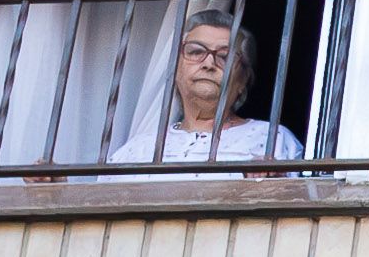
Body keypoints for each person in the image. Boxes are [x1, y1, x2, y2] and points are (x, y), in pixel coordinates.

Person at [106, 10, 301, 167]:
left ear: (244, 81)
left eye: (225, 56)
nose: (209, 63)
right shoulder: (138, 149)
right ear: (175, 71)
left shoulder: (271, 139)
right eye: (196, 51)